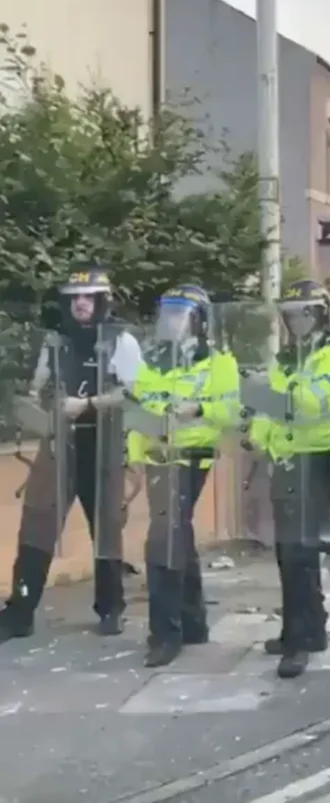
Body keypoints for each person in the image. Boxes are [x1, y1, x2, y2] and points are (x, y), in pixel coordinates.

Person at [0, 265, 142, 642]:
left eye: (89, 298)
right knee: (36, 527)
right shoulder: (54, 341)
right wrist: (29, 405)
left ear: (102, 302)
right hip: (60, 441)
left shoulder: (121, 341)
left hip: (104, 441)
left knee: (106, 530)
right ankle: (20, 612)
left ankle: (111, 609)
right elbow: (38, 388)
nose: (81, 304)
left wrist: (89, 403)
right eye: (74, 298)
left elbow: (134, 393)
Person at [247, 280, 330, 678]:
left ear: (319, 314)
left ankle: (299, 642)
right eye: (290, 315)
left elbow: (315, 400)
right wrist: (258, 440)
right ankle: (307, 628)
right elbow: (266, 407)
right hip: (285, 456)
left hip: (317, 457)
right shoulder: (285, 359)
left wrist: (280, 394)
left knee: (299, 549)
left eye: (302, 314)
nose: (295, 322)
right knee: (289, 550)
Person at [125, 285, 240, 667]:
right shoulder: (153, 361)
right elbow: (138, 412)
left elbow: (230, 411)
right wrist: (135, 456)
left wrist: (198, 408)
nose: (171, 323)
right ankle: (193, 623)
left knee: (163, 539)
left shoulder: (218, 362)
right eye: (167, 315)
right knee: (178, 532)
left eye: (181, 316)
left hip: (192, 454)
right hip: (158, 455)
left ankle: (165, 633)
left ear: (199, 322)